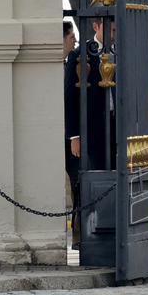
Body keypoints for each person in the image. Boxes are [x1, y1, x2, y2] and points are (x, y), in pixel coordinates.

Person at [64, 18, 115, 251]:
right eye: (111, 29)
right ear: (96, 26)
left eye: (116, 29)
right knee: (85, 182)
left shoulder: (123, 50)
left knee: (115, 179)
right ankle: (83, 235)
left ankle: (113, 229)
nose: (115, 34)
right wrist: (74, 135)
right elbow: (69, 98)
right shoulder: (80, 55)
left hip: (117, 127)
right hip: (90, 130)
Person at [62, 20, 80, 250]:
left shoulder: (73, 63)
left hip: (70, 139)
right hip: (55, 136)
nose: (74, 40)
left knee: (79, 186)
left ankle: (78, 237)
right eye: (70, 37)